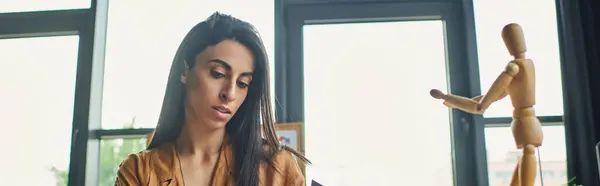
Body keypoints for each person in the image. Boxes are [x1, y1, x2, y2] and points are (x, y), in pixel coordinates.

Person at [114, 12, 310, 186]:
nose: (230, 93)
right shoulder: (140, 171)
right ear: (184, 71)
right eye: (218, 74)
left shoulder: (277, 168)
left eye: (242, 83)